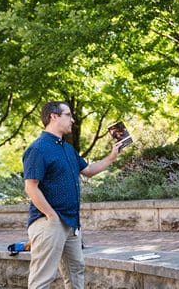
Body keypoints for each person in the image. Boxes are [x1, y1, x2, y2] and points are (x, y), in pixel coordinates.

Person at [23, 101, 121, 289]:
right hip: (49, 223)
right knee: (42, 278)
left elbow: (89, 170)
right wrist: (51, 216)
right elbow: (31, 187)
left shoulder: (67, 148)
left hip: (71, 223)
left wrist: (112, 156)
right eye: (68, 115)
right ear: (54, 116)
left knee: (76, 270)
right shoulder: (38, 148)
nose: (72, 120)